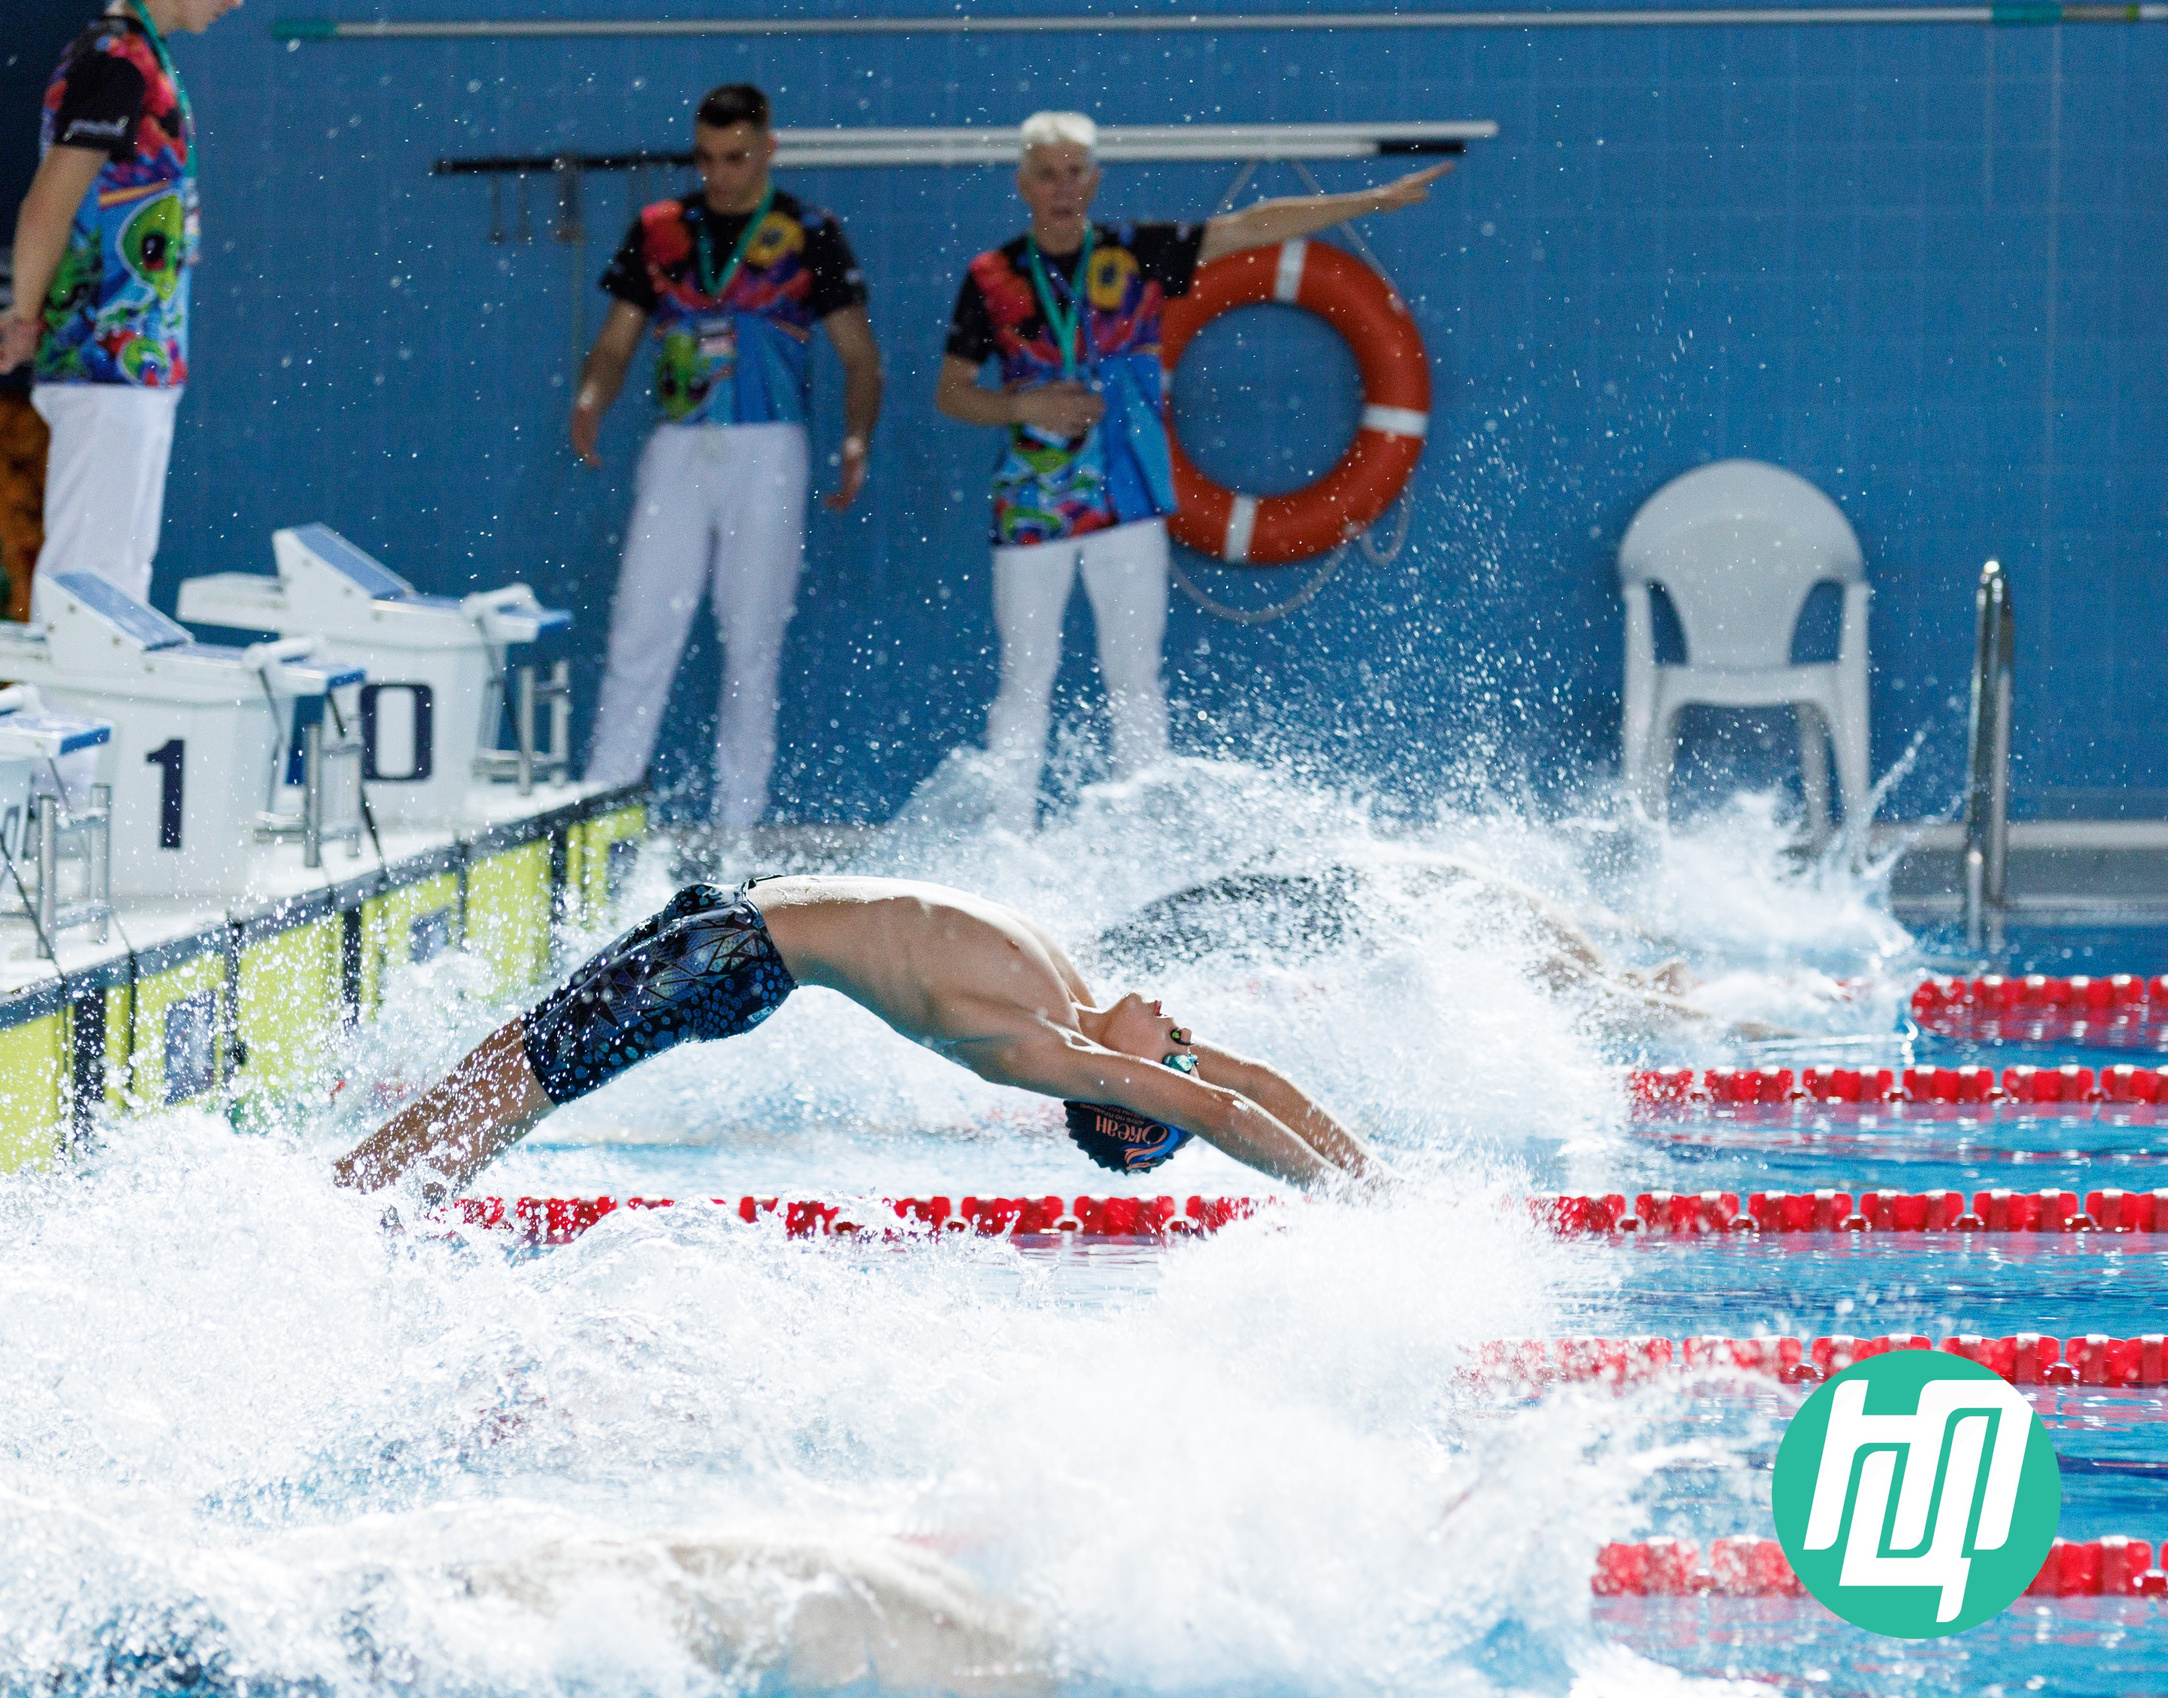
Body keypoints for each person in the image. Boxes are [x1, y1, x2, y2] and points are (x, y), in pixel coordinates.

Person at [936, 113, 1449, 831]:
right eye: (1047, 173)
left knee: (1135, 680)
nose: (1063, 187)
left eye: (1076, 171)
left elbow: (1251, 226)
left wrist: (1370, 201)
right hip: (1034, 505)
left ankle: (1142, 840)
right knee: (1024, 681)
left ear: (1095, 179)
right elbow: (951, 391)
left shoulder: (1136, 253)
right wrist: (1026, 403)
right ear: (1024, 183)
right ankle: (1005, 837)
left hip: (1132, 499)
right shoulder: (992, 278)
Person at [336, 876, 1378, 1195]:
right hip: (726, 925)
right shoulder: (1072, 1002)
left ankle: (350, 1205)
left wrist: (1360, 1207)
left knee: (510, 1080)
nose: (1190, 1039)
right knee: (508, 1079)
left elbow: (1215, 1104)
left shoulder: (1035, 1045)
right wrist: (1384, 1178)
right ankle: (386, 1198)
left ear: (1128, 1097)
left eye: (1173, 1061)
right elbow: (1245, 1082)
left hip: (733, 954)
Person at [572, 84, 883, 837]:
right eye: (707, 158)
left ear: (768, 148)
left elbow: (860, 358)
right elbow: (616, 343)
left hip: (770, 447)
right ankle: (602, 813)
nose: (721, 174)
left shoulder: (809, 231)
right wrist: (590, 400)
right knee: (641, 629)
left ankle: (737, 827)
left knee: (752, 640)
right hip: (677, 446)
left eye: (737, 157)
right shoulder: (660, 228)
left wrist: (855, 439)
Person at [0, 0, 241, 611]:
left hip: (135, 363)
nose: (237, 1)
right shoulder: (117, 61)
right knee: (88, 592)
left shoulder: (139, 57)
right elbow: (48, 203)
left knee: (117, 583)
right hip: (104, 362)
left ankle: (95, 704)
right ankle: (70, 707)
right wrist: (25, 315)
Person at [1096, 858, 1794, 1040]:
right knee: (1209, 914)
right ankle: (1104, 944)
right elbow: (1634, 1002)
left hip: (1366, 878)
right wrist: (1749, 1032)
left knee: (1201, 914)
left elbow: (1633, 999)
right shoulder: (1563, 958)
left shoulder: (1562, 951)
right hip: (1365, 883)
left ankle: (1102, 944)